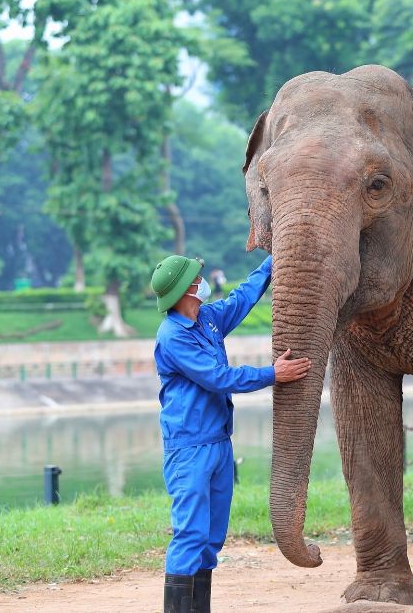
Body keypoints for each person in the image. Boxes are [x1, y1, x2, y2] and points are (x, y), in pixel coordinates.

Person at [150, 254, 310, 613]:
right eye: (197, 278)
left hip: (219, 443)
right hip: (189, 448)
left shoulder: (206, 319)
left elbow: (241, 298)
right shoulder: (173, 336)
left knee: (210, 541)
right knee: (190, 535)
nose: (203, 281)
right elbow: (218, 378)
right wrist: (273, 374)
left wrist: (273, 260)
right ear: (186, 290)